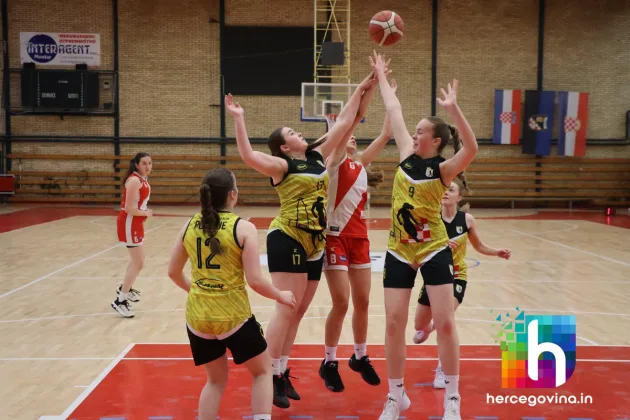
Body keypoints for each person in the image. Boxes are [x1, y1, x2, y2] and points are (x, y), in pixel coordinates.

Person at [225, 71, 378, 408]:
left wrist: (363, 87)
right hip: (288, 236)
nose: (299, 133)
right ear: (284, 146)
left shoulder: (317, 155)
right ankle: (266, 373)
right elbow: (248, 156)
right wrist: (239, 119)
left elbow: (346, 120)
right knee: (287, 307)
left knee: (299, 310)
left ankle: (281, 371)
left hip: (315, 242)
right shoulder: (282, 166)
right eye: (292, 133)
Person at [369, 50, 479, 420]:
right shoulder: (405, 154)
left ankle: (453, 397)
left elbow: (472, 148)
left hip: (433, 249)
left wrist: (454, 109)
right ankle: (395, 396)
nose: (413, 134)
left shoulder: (445, 169)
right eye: (414, 131)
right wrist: (381, 75)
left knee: (445, 322)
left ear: (435, 140)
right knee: (393, 323)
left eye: (420, 132)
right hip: (399, 250)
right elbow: (394, 109)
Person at [167, 168, 296, 420]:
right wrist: (280, 295)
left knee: (215, 381)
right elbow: (255, 281)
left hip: (197, 317)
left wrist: (199, 291)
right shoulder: (243, 228)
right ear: (232, 195)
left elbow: (173, 272)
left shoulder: (189, 226)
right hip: (232, 316)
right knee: (263, 372)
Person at [319, 79, 396, 392]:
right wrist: (364, 91)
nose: (352, 137)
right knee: (341, 303)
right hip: (334, 237)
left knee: (363, 301)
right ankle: (329, 362)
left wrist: (387, 93)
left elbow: (386, 134)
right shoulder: (333, 161)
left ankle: (360, 356)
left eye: (354, 136)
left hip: (359, 239)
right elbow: (346, 126)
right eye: (347, 134)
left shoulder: (361, 163)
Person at [412, 180, 511, 388]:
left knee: (445, 320)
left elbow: (479, 245)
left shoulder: (467, 220)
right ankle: (428, 328)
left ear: (459, 197)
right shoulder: (431, 217)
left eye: (451, 190)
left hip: (457, 276)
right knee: (419, 325)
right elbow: (417, 246)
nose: (446, 192)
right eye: (444, 189)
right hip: (434, 276)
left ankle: (442, 369)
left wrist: (497, 252)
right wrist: (438, 243)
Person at [112, 152, 153, 318]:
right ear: (136, 164)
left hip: (135, 222)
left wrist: (143, 213)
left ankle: (125, 288)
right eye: (144, 163)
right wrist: (146, 212)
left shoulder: (142, 179)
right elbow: (129, 208)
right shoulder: (135, 180)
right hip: (129, 222)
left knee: (138, 261)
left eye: (150, 163)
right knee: (138, 262)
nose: (148, 166)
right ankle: (120, 300)